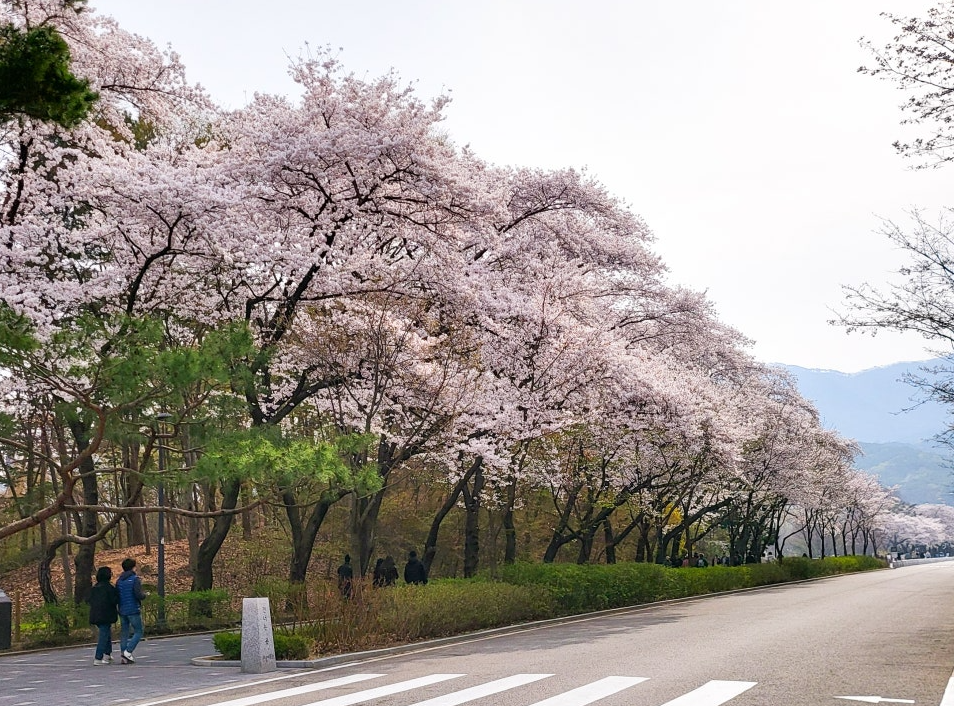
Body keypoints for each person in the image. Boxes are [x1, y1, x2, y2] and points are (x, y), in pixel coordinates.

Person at [116, 557, 146, 664]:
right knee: (138, 631)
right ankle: (128, 651)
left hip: (122, 609)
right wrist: (145, 595)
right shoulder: (135, 579)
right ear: (133, 567)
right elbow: (138, 594)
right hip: (133, 609)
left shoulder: (119, 581)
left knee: (124, 632)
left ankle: (124, 654)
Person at [87, 566, 118, 665]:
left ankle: (107, 654)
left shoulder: (94, 588)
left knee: (107, 632)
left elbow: (88, 600)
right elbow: (114, 600)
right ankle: (98, 657)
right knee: (104, 635)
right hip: (106, 614)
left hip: (95, 614)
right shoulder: (109, 588)